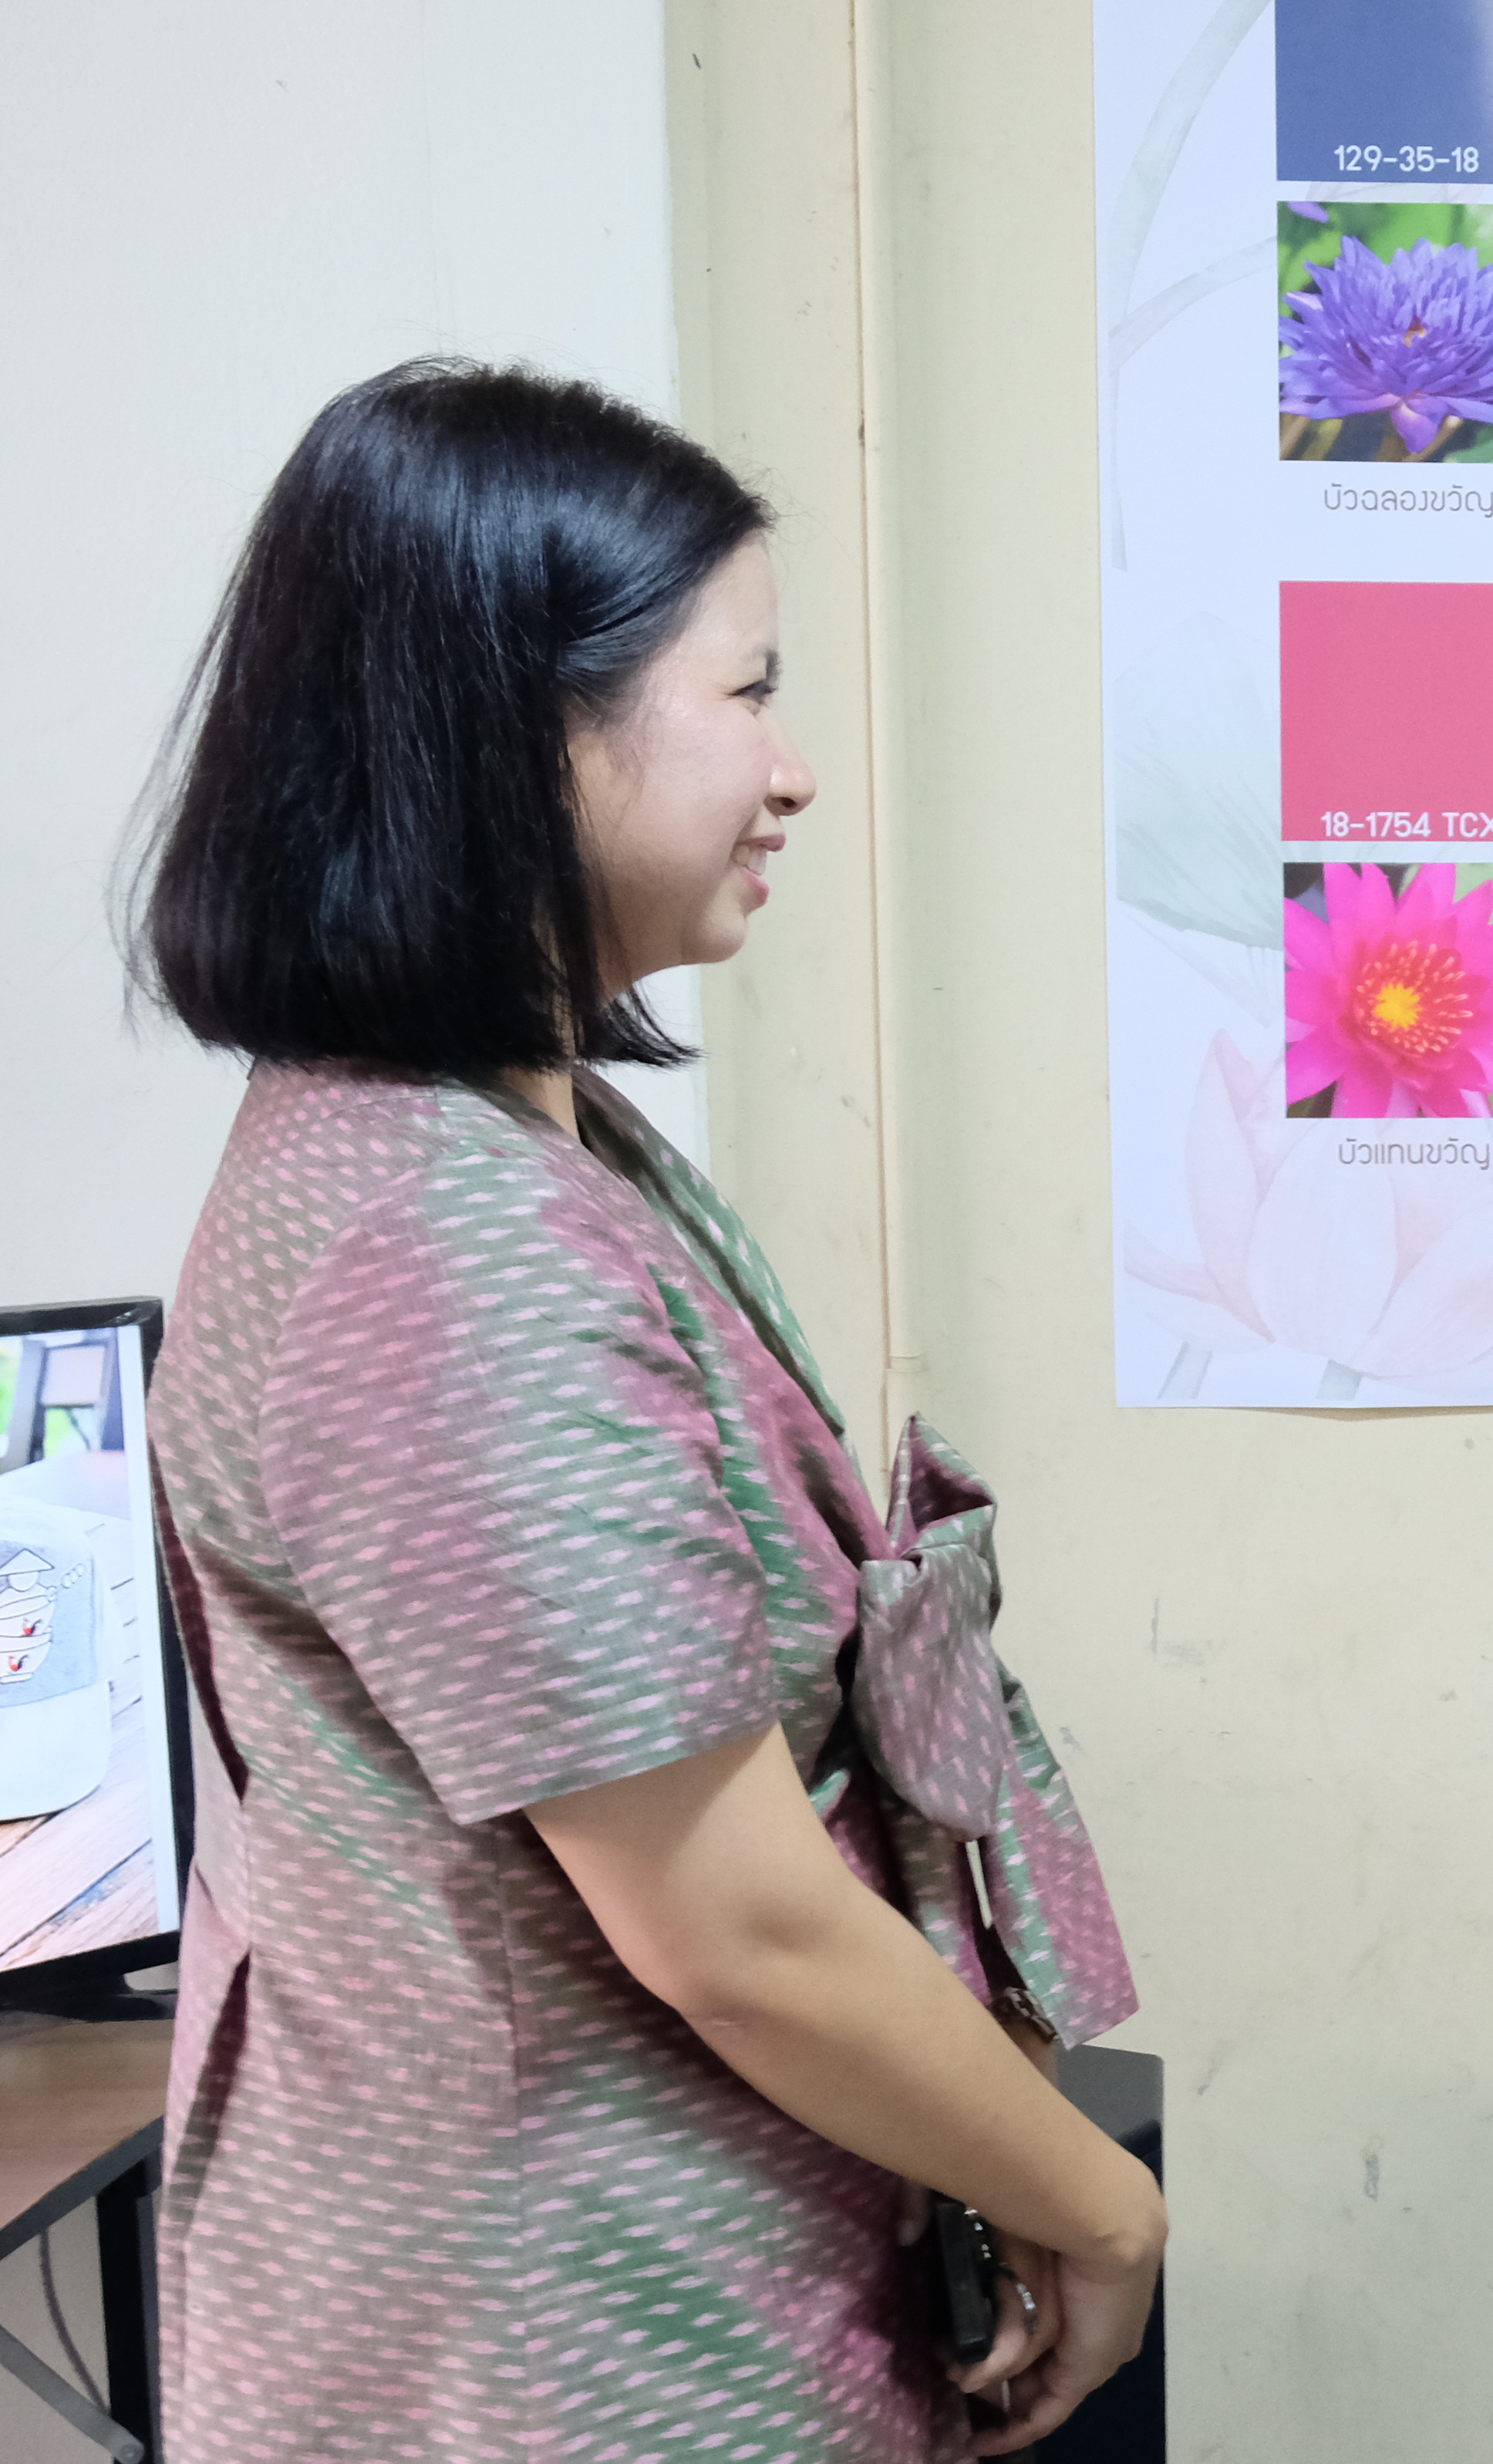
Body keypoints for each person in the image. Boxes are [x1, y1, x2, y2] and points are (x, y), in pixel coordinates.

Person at [133, 362, 1164, 2459]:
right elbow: (735, 1922)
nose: (790, 771)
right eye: (743, 693)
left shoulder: (525, 1145)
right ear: (516, 731)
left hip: (656, 2281)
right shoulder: (429, 1249)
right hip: (555, 2351)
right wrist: (1110, 2210)